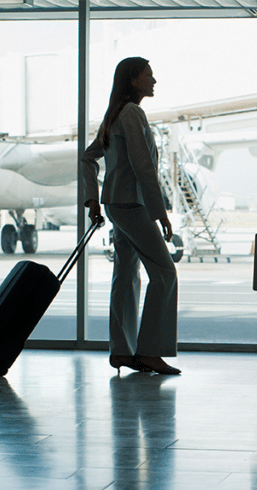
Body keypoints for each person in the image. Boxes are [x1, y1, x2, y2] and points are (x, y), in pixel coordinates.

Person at [81, 57, 180, 375]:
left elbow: (88, 159)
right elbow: (143, 167)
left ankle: (122, 350)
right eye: (148, 76)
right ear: (134, 80)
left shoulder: (115, 114)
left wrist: (93, 201)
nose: (154, 81)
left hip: (115, 204)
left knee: (125, 277)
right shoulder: (133, 113)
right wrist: (159, 211)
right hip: (132, 206)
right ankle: (149, 352)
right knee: (165, 274)